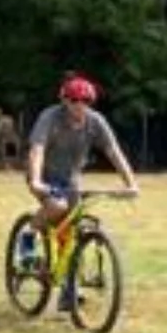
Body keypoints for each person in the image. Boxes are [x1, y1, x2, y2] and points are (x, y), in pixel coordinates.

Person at [24, 74, 140, 308]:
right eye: (75, 100)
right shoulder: (50, 117)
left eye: (85, 101)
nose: (80, 106)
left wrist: (131, 184)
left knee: (73, 231)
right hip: (44, 176)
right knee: (57, 207)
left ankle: (68, 292)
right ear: (64, 100)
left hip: (71, 181)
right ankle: (26, 238)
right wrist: (36, 180)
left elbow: (114, 152)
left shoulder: (95, 121)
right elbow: (37, 149)